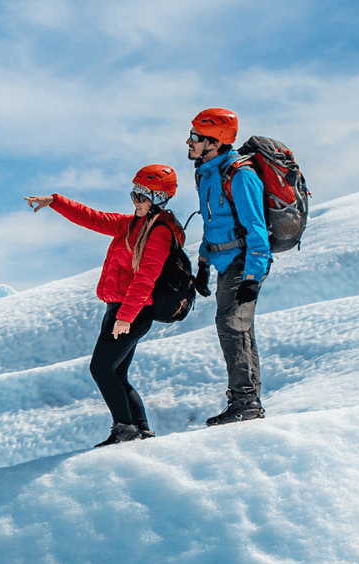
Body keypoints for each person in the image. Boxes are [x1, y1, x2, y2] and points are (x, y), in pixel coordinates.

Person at [26, 165, 184, 447]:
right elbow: (95, 218)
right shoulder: (131, 224)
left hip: (133, 310)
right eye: (134, 193)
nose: (135, 200)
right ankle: (141, 430)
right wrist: (56, 201)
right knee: (116, 372)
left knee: (100, 369)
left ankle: (125, 429)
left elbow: (146, 277)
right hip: (120, 308)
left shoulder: (159, 232)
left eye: (142, 195)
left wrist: (124, 317)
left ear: (159, 198)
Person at [188, 107, 270, 426]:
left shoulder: (241, 175)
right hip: (224, 262)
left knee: (230, 323)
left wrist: (252, 276)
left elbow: (257, 229)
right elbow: (213, 224)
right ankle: (249, 402)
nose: (189, 142)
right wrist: (204, 264)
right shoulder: (207, 173)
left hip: (244, 261)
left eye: (196, 137)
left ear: (215, 141)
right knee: (240, 327)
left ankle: (246, 402)